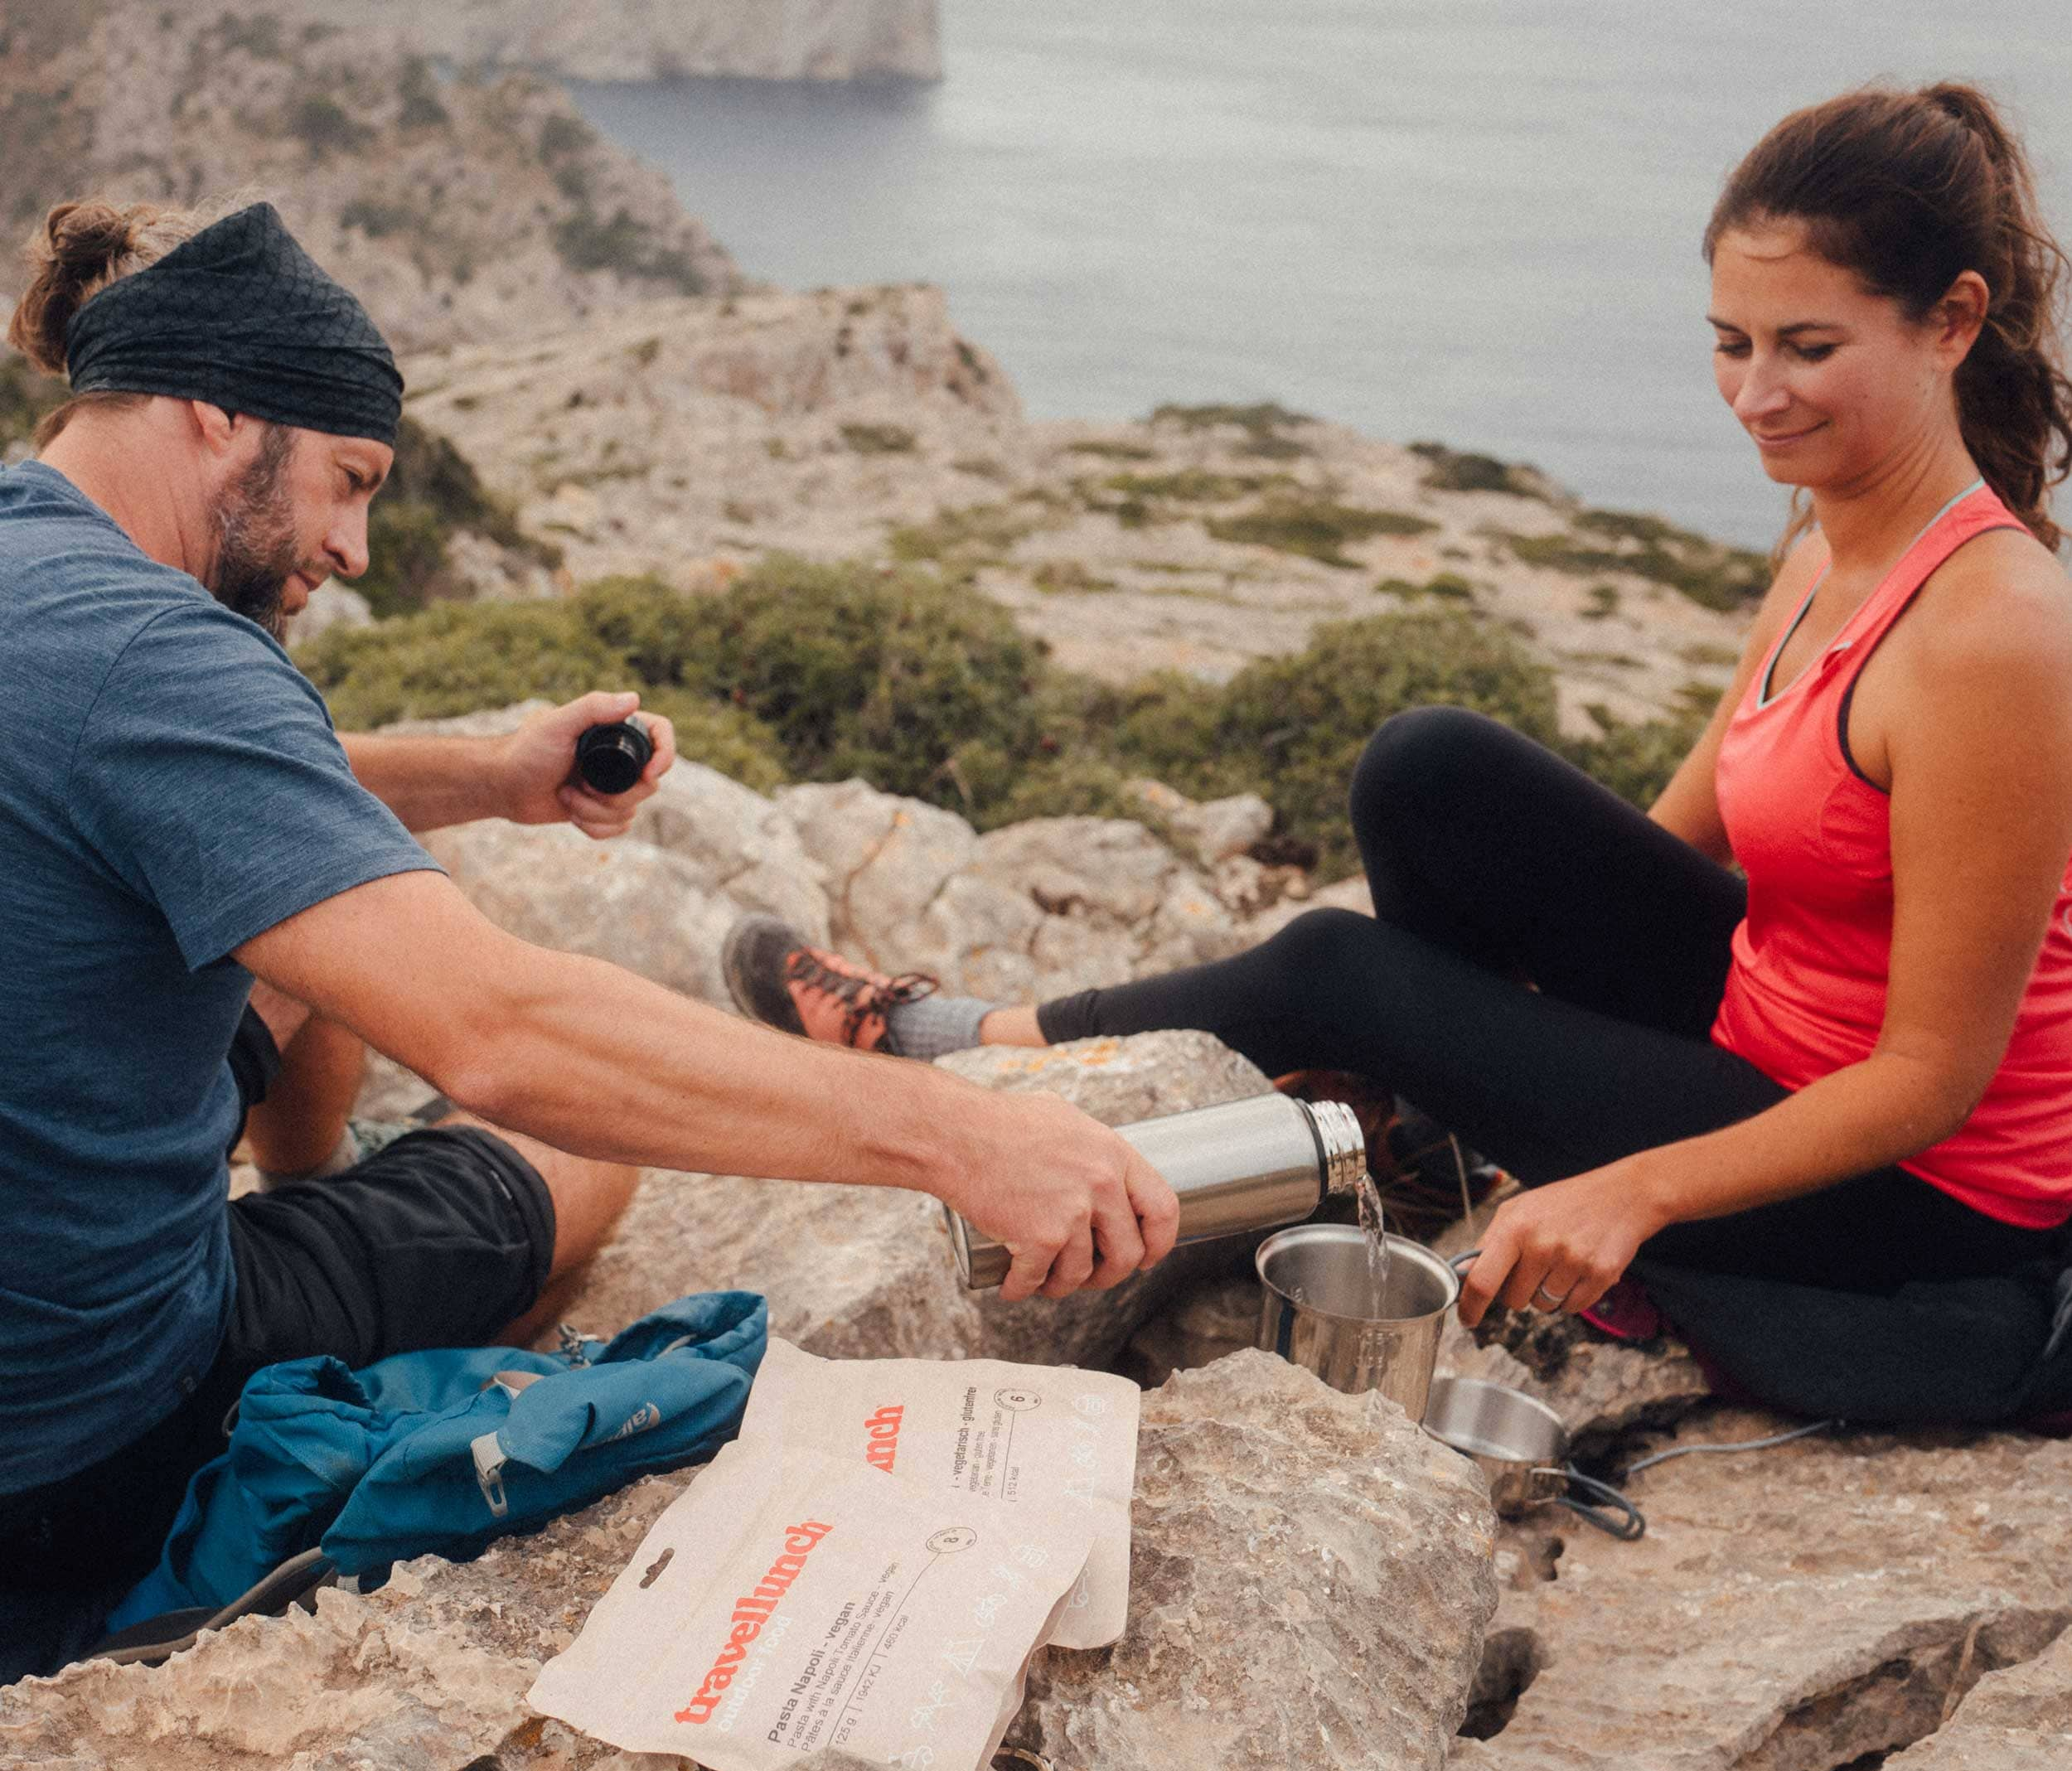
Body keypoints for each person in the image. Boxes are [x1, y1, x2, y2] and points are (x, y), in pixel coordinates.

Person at [0, 198, 1178, 1681]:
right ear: (219, 412)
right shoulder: (162, 659)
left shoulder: (41, 575)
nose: (355, 547)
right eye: (348, 484)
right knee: (581, 1156)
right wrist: (959, 1138)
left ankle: (316, 1190)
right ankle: (311, 1293)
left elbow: (184, 787)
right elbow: (505, 1037)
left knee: (324, 902)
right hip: (71, 1451)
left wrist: (489, 776)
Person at [731, 81, 2072, 1344]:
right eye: (1732, 343)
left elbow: (1931, 1079)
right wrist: (1496, 1029)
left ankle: (948, 1040)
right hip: (1758, 1030)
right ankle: (1425, 1125)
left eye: (1809, 348)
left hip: (1915, 1197)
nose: (1754, 395)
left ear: (1951, 322)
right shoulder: (1827, 544)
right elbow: (1669, 848)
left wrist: (1628, 1186)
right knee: (1428, 768)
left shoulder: (1994, 632)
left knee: (1335, 972)